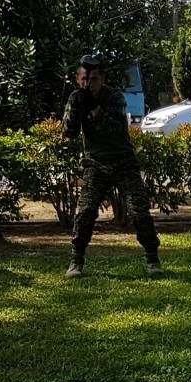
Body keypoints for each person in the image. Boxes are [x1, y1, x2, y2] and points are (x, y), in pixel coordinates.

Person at [63, 53, 162, 278]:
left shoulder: (115, 97)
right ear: (78, 79)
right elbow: (68, 133)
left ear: (102, 79)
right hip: (96, 164)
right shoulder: (76, 98)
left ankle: (152, 258)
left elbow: (117, 128)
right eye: (84, 79)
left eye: (94, 79)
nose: (88, 84)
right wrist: (77, 109)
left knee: (138, 211)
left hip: (123, 162)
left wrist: (96, 113)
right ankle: (76, 261)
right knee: (86, 212)